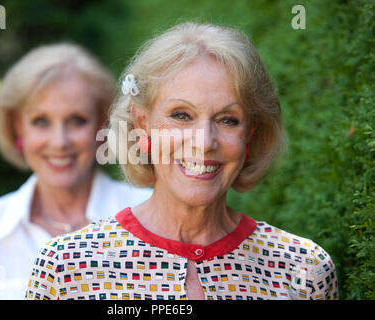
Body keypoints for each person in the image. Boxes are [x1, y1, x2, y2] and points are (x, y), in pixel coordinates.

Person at [25, 23, 338, 300]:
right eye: (181, 116)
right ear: (142, 124)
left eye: (228, 120)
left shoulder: (304, 269)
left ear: (250, 133)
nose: (204, 142)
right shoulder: (68, 268)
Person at [0, 43, 152, 299]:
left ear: (103, 126)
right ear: (18, 129)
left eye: (77, 120)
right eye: (40, 121)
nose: (59, 142)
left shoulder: (152, 213)